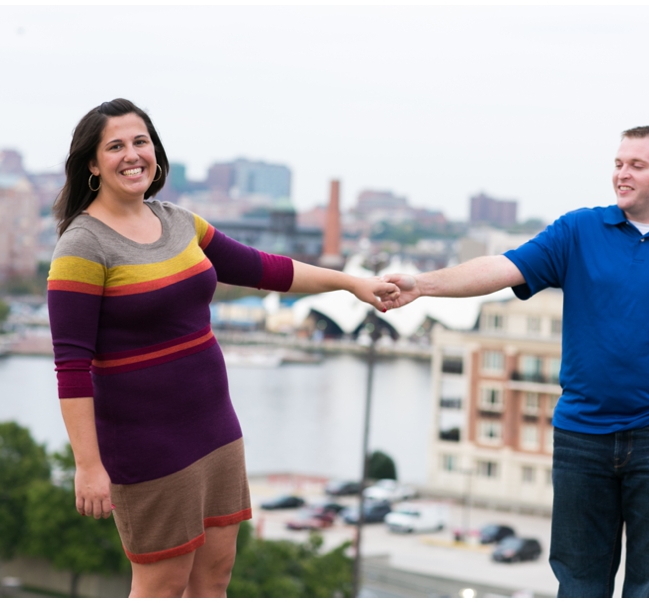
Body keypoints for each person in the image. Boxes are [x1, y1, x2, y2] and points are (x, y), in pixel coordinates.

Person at [382, 126, 649, 597]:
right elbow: (503, 266)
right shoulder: (579, 230)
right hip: (584, 434)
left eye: (636, 165)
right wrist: (423, 285)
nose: (622, 174)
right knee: (578, 583)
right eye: (618, 163)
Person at [47, 98, 399, 597]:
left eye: (140, 141)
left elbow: (264, 267)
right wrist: (88, 466)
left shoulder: (178, 222)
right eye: (116, 146)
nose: (132, 155)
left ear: (156, 150)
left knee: (215, 579)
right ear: (91, 163)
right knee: (161, 586)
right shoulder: (81, 247)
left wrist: (350, 283)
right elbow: (72, 367)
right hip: (147, 445)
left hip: (215, 431)